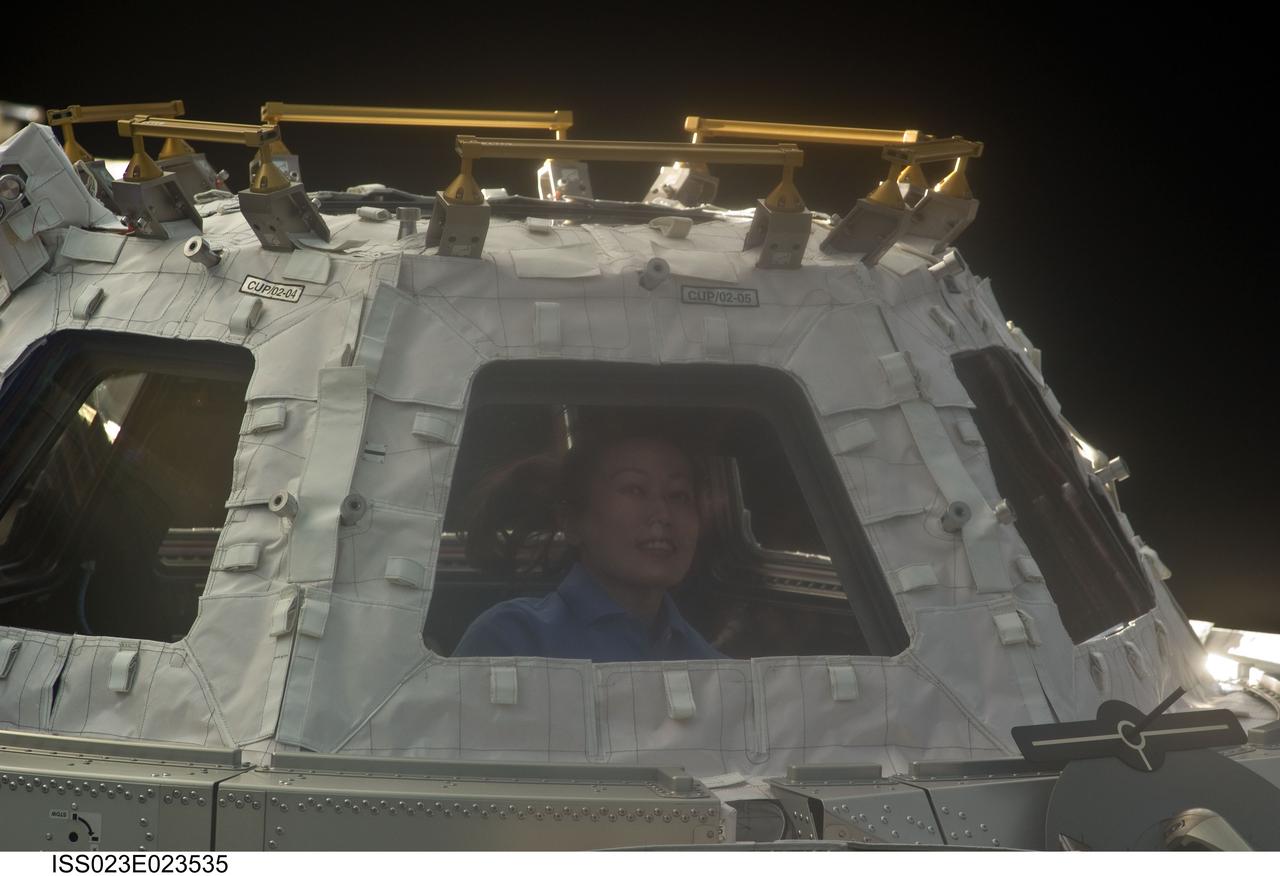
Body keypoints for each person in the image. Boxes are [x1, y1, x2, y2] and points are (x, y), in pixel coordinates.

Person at [452, 427, 723, 661]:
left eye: (678, 496)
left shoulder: (712, 666)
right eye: (635, 489)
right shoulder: (511, 639)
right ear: (571, 522)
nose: (663, 515)